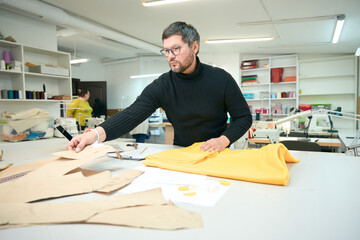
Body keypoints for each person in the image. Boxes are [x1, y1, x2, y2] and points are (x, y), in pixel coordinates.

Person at [67, 21, 252, 153]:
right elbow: (132, 114)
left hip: (218, 153)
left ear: (194, 47)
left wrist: (223, 140)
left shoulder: (221, 79)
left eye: (176, 49)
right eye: (166, 50)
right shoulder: (163, 85)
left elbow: (243, 117)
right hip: (181, 153)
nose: (170, 56)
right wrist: (94, 135)